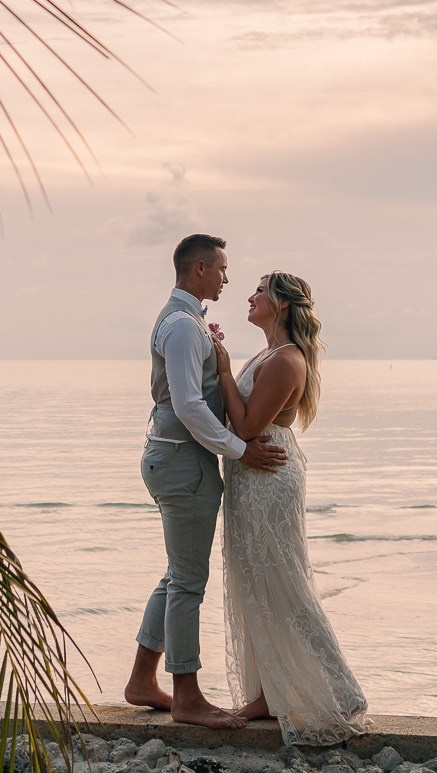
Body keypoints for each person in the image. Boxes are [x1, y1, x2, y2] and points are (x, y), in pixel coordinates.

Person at [126, 234, 288, 729]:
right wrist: (241, 450)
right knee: (189, 584)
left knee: (178, 574)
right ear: (198, 269)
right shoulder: (181, 327)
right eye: (221, 268)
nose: (226, 277)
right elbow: (188, 405)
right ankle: (188, 696)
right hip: (181, 463)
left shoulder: (189, 322)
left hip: (177, 459)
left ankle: (141, 680)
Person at [213, 271, 369, 744]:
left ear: (280, 304)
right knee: (254, 580)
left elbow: (245, 427)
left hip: (267, 476)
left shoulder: (286, 360)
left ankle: (341, 691)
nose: (250, 295)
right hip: (249, 475)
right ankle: (268, 692)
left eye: (260, 290)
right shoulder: (267, 353)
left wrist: (221, 369)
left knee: (281, 579)